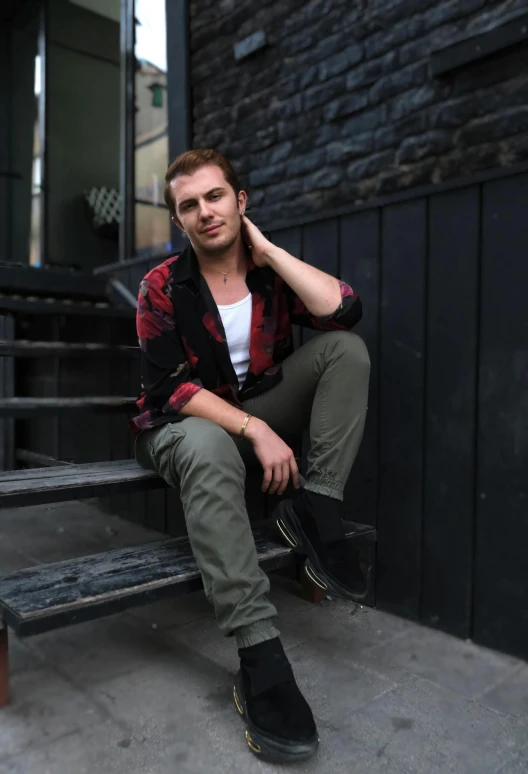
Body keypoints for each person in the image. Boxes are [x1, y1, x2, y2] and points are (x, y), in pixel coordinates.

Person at [132, 148, 370, 764]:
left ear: (240, 203)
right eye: (189, 205)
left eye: (215, 197)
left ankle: (317, 508)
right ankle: (259, 654)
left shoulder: (267, 273)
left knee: (347, 352)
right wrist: (255, 432)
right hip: (184, 424)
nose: (204, 212)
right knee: (211, 440)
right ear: (178, 221)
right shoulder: (161, 288)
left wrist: (270, 253)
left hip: (256, 409)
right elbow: (169, 389)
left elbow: (344, 309)